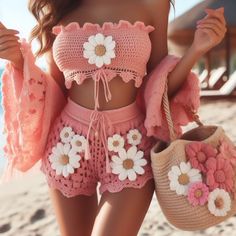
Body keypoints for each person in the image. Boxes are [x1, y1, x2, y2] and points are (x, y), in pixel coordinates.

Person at [0, 0, 226, 235]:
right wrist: (19, 61)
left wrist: (196, 49)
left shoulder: (153, 4)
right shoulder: (58, 6)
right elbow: (56, 89)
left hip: (131, 149)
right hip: (67, 148)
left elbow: (159, 86)